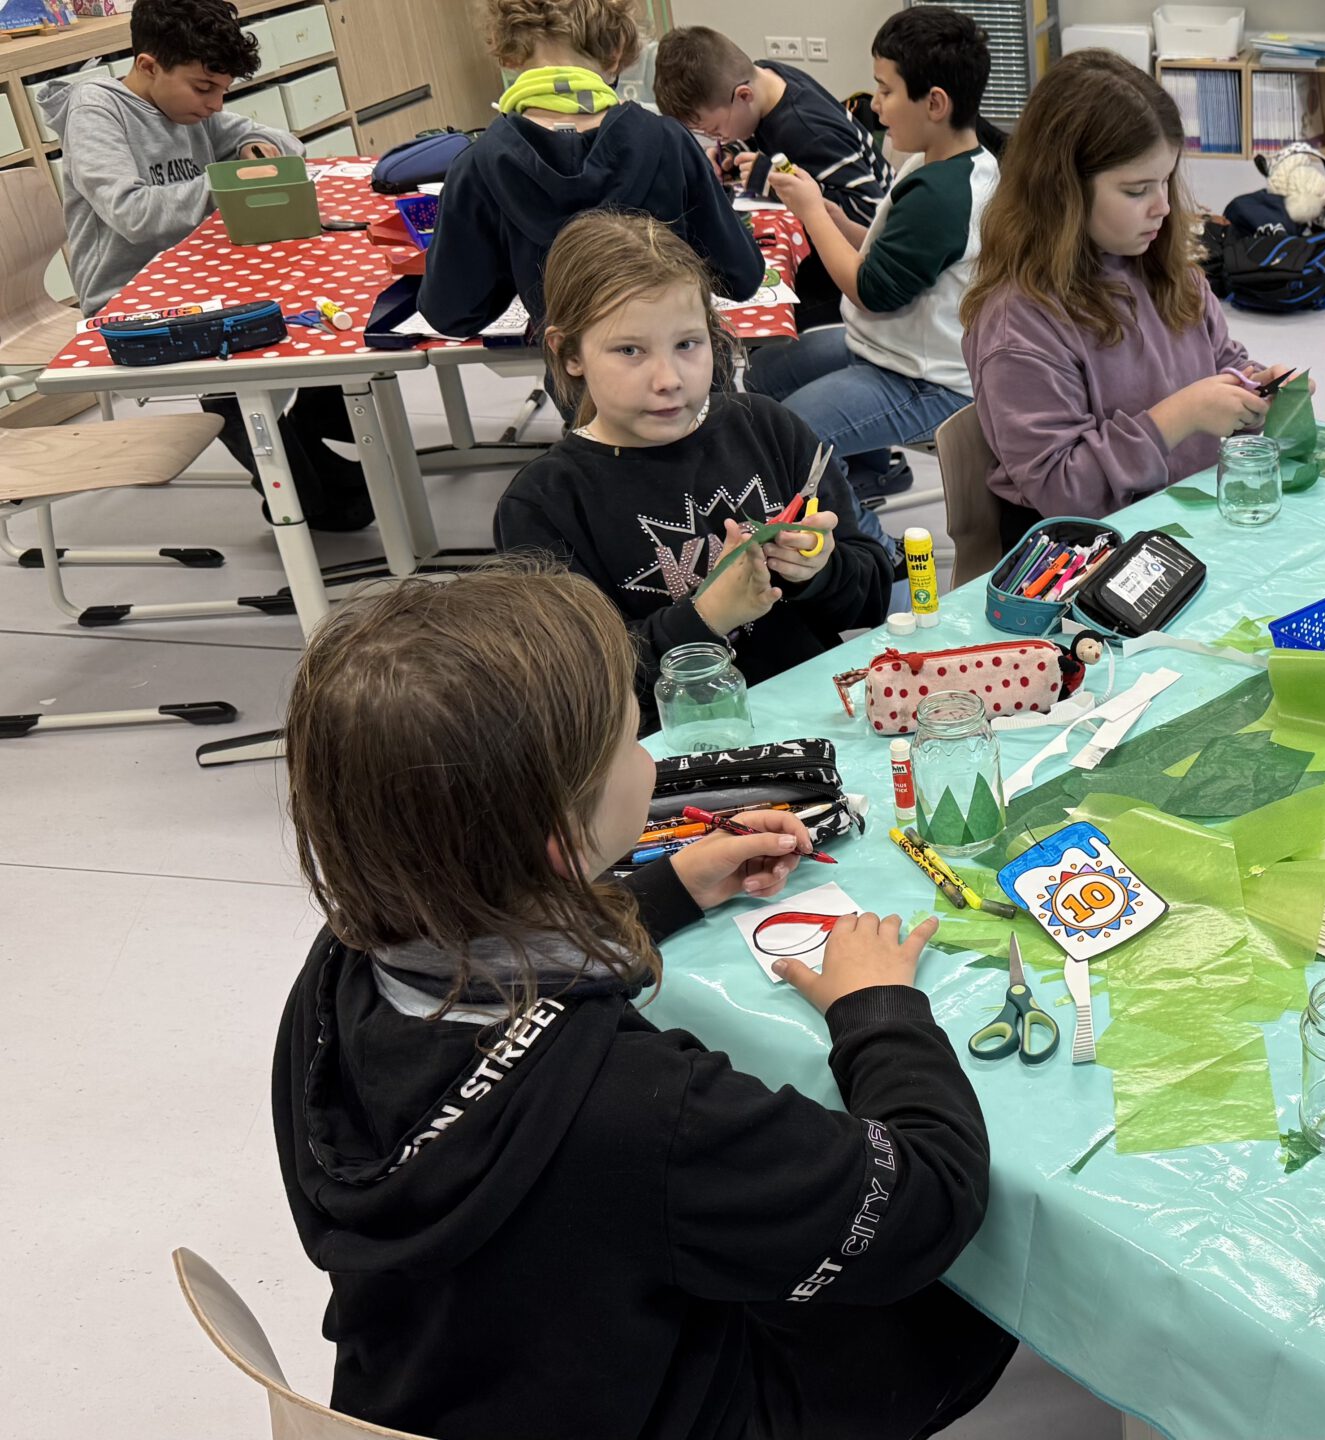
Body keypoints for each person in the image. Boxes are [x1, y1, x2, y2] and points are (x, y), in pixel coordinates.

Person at [271, 562, 1015, 1440]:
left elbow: (503, 951)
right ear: (563, 835)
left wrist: (664, 890)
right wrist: (877, 1009)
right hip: (661, 1408)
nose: (650, 760)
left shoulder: (337, 971)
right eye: (634, 742)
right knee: (975, 1297)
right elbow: (926, 1204)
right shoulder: (641, 1109)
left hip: (458, 1372)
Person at [495, 212, 898, 720]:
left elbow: (872, 593)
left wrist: (819, 571)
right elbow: (573, 686)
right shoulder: (542, 503)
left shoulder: (767, 427)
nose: (668, 379)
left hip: (818, 718)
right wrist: (704, 618)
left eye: (687, 344)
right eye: (629, 350)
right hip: (672, 752)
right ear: (569, 353)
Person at [42, 0, 372, 531]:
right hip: (131, 297)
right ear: (149, 66)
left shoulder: (188, 106)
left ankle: (312, 422)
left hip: (199, 271)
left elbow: (285, 142)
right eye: (204, 89)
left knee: (327, 299)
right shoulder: (96, 111)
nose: (216, 105)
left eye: (223, 91)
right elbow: (134, 215)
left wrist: (255, 146)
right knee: (240, 368)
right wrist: (229, 182)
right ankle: (300, 494)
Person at [961, 50, 1290, 549]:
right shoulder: (1019, 322)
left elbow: (1223, 362)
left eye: (1166, 181)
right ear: (1063, 191)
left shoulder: (1167, 272)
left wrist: (1256, 390)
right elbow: (1061, 490)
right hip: (1080, 552)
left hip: (1181, 517)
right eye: (1137, 190)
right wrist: (1180, 417)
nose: (1163, 206)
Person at [744, 6, 998, 509]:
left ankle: (872, 548)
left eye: (885, 90)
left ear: (935, 103)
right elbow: (892, 256)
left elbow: (870, 290)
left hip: (926, 380)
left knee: (790, 441)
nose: (875, 106)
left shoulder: (942, 194)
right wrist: (837, 218)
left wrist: (811, 211)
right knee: (763, 375)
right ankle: (861, 475)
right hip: (887, 348)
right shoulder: (939, 163)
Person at [421, 0, 761, 339]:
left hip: (574, 369)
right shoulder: (668, 142)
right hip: (679, 364)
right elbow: (741, 277)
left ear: (508, 55)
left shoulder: (478, 165)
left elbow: (450, 314)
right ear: (617, 53)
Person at [650, 23, 893, 333]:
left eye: (715, 131)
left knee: (753, 313)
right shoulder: (766, 76)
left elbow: (870, 215)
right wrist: (734, 151)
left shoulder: (806, 129)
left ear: (744, 95)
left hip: (866, 270)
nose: (717, 139)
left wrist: (774, 184)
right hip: (836, 255)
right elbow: (762, 135)